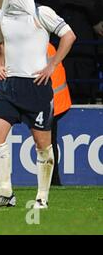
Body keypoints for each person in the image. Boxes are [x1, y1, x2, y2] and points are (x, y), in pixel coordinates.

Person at [0, 0, 76, 209]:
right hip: (8, 86)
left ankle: (42, 198)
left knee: (42, 144)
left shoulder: (40, 13)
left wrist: (52, 64)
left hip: (36, 87)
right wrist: (0, 64)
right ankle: (5, 193)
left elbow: (69, 35)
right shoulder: (0, 16)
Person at [47, 42, 72, 186]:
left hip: (51, 102)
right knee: (49, 142)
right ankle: (53, 180)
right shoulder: (47, 46)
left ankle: (53, 180)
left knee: (47, 144)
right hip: (56, 100)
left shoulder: (38, 47)